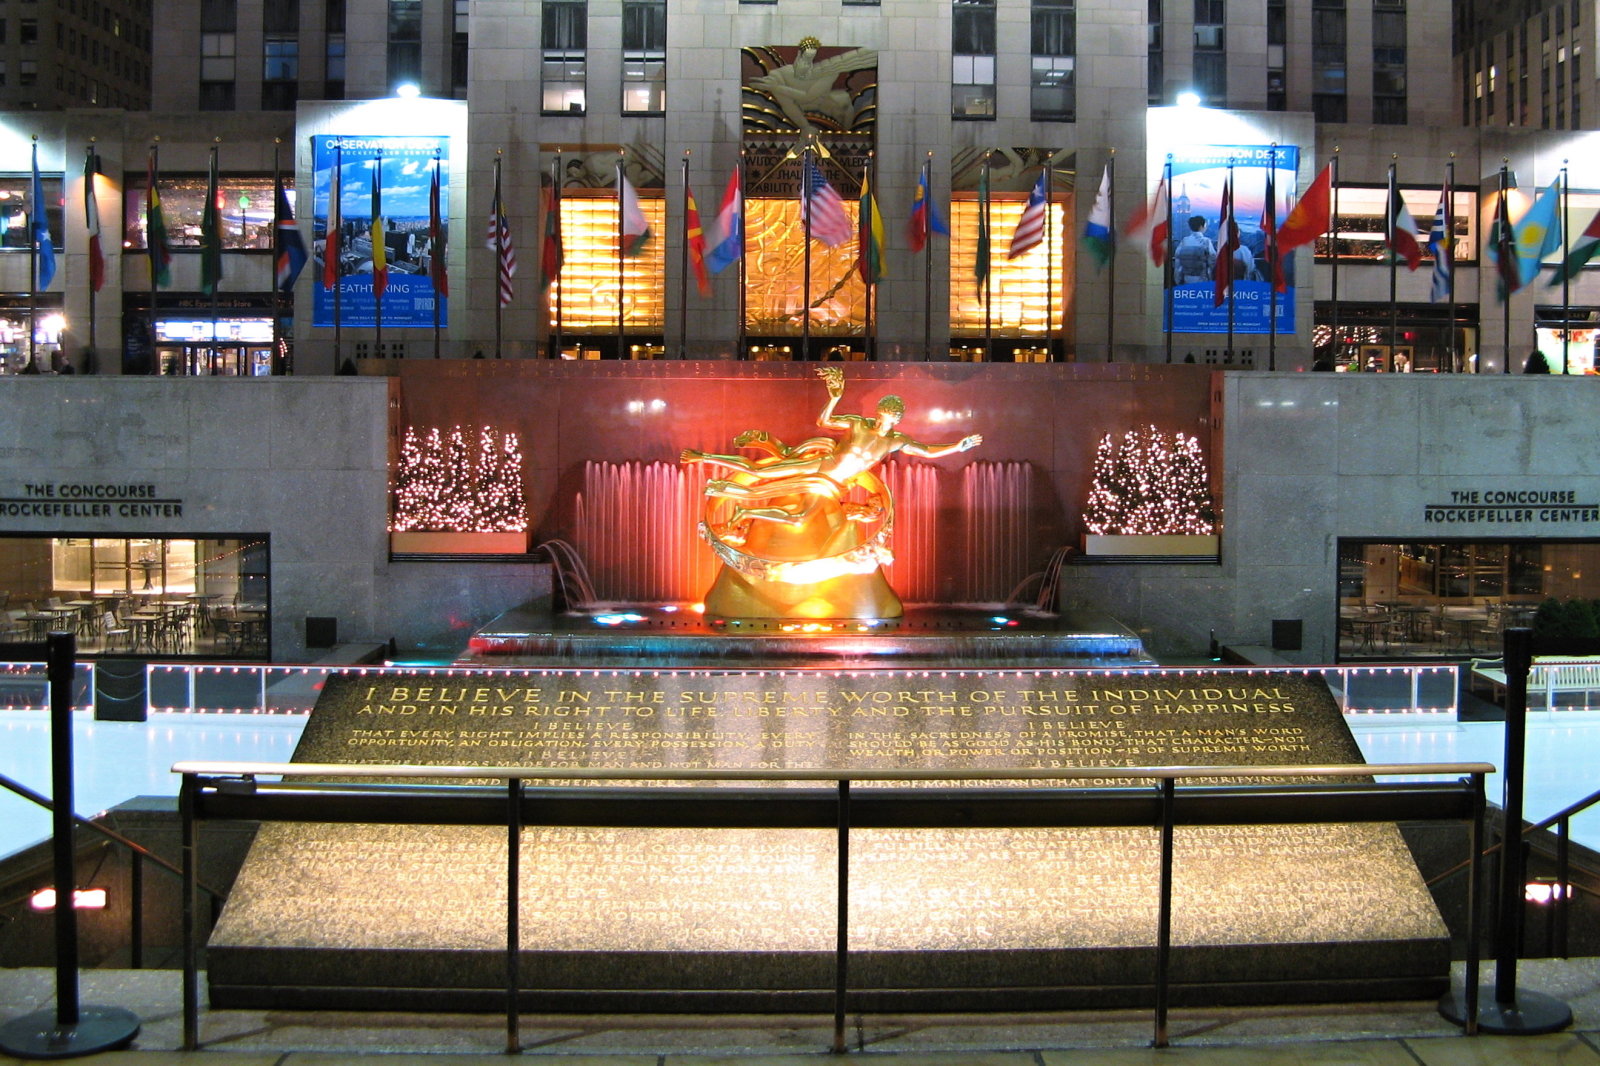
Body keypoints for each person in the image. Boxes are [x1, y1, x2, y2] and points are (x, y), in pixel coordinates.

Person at [681, 365, 981, 530]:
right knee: (761, 472)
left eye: (890, 419)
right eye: (881, 415)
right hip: (822, 464)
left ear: (897, 420)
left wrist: (957, 446)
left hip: (833, 484)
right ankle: (702, 458)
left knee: (796, 516)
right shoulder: (859, 424)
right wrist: (835, 397)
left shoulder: (896, 441)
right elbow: (823, 420)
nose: (883, 421)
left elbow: (926, 451)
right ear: (877, 413)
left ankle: (739, 505)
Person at [1174, 216, 1215, 284]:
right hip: (1202, 279)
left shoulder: (1184, 241)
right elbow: (1212, 261)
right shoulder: (1206, 242)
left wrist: (1177, 279)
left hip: (1186, 279)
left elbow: (1178, 262)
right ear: (1201, 226)